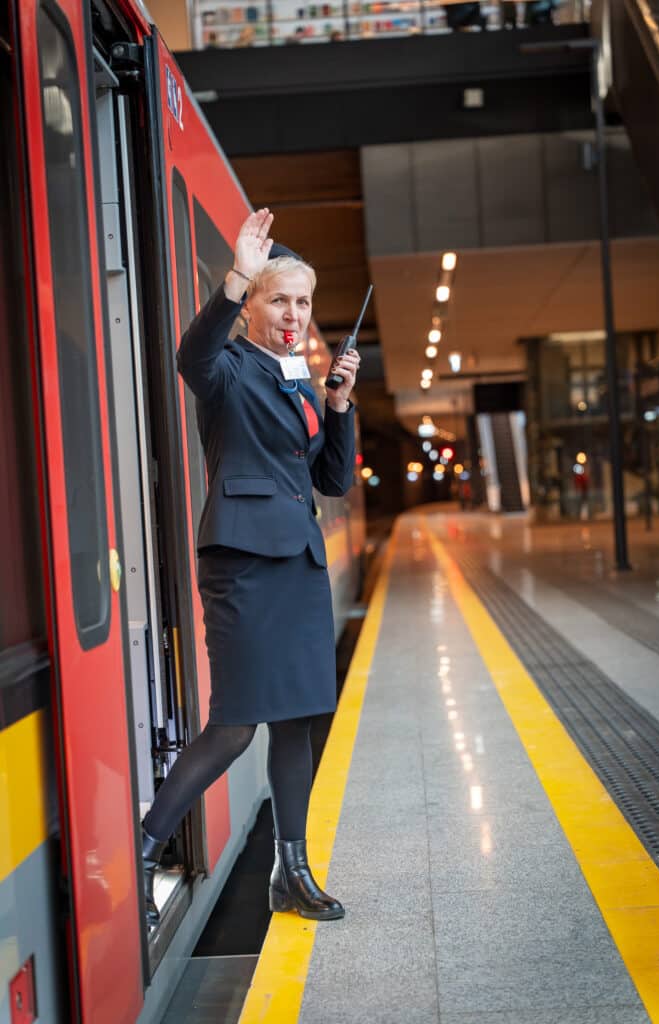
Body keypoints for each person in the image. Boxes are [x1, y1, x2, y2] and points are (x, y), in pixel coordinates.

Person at [140, 208, 360, 927]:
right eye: (278, 299)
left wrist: (338, 403)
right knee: (235, 724)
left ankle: (289, 871)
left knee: (295, 723)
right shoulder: (227, 367)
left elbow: (330, 482)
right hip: (241, 565)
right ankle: (140, 852)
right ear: (253, 306)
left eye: (302, 301)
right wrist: (236, 275)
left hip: (296, 566)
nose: (293, 313)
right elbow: (189, 356)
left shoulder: (301, 378)